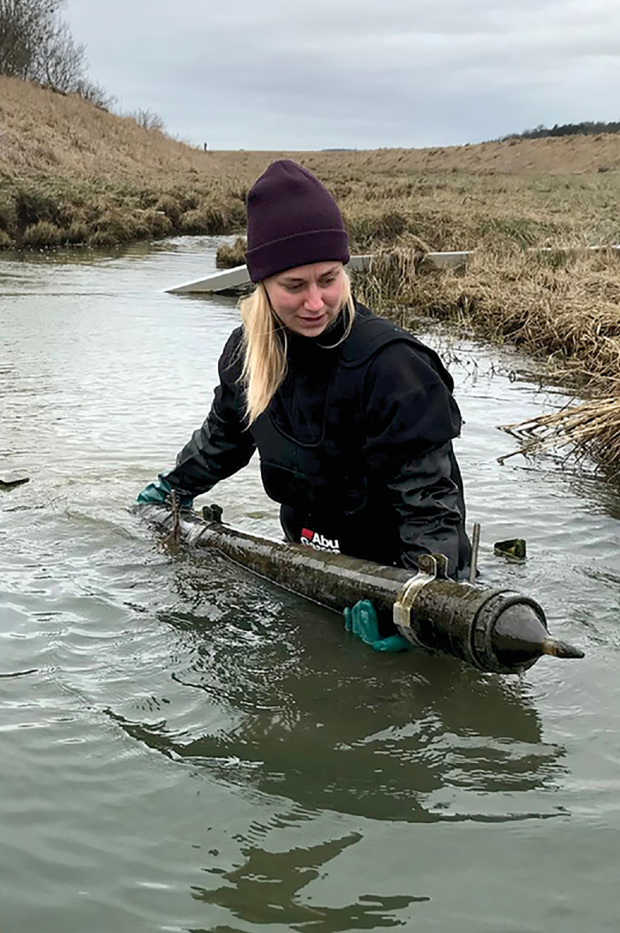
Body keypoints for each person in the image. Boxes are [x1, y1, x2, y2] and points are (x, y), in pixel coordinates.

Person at [138, 159, 472, 651]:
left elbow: (430, 504)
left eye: (328, 279)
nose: (316, 302)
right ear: (263, 285)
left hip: (393, 574)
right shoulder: (244, 353)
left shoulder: (395, 368)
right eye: (294, 286)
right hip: (306, 566)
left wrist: (416, 606)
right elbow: (224, 439)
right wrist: (173, 487)